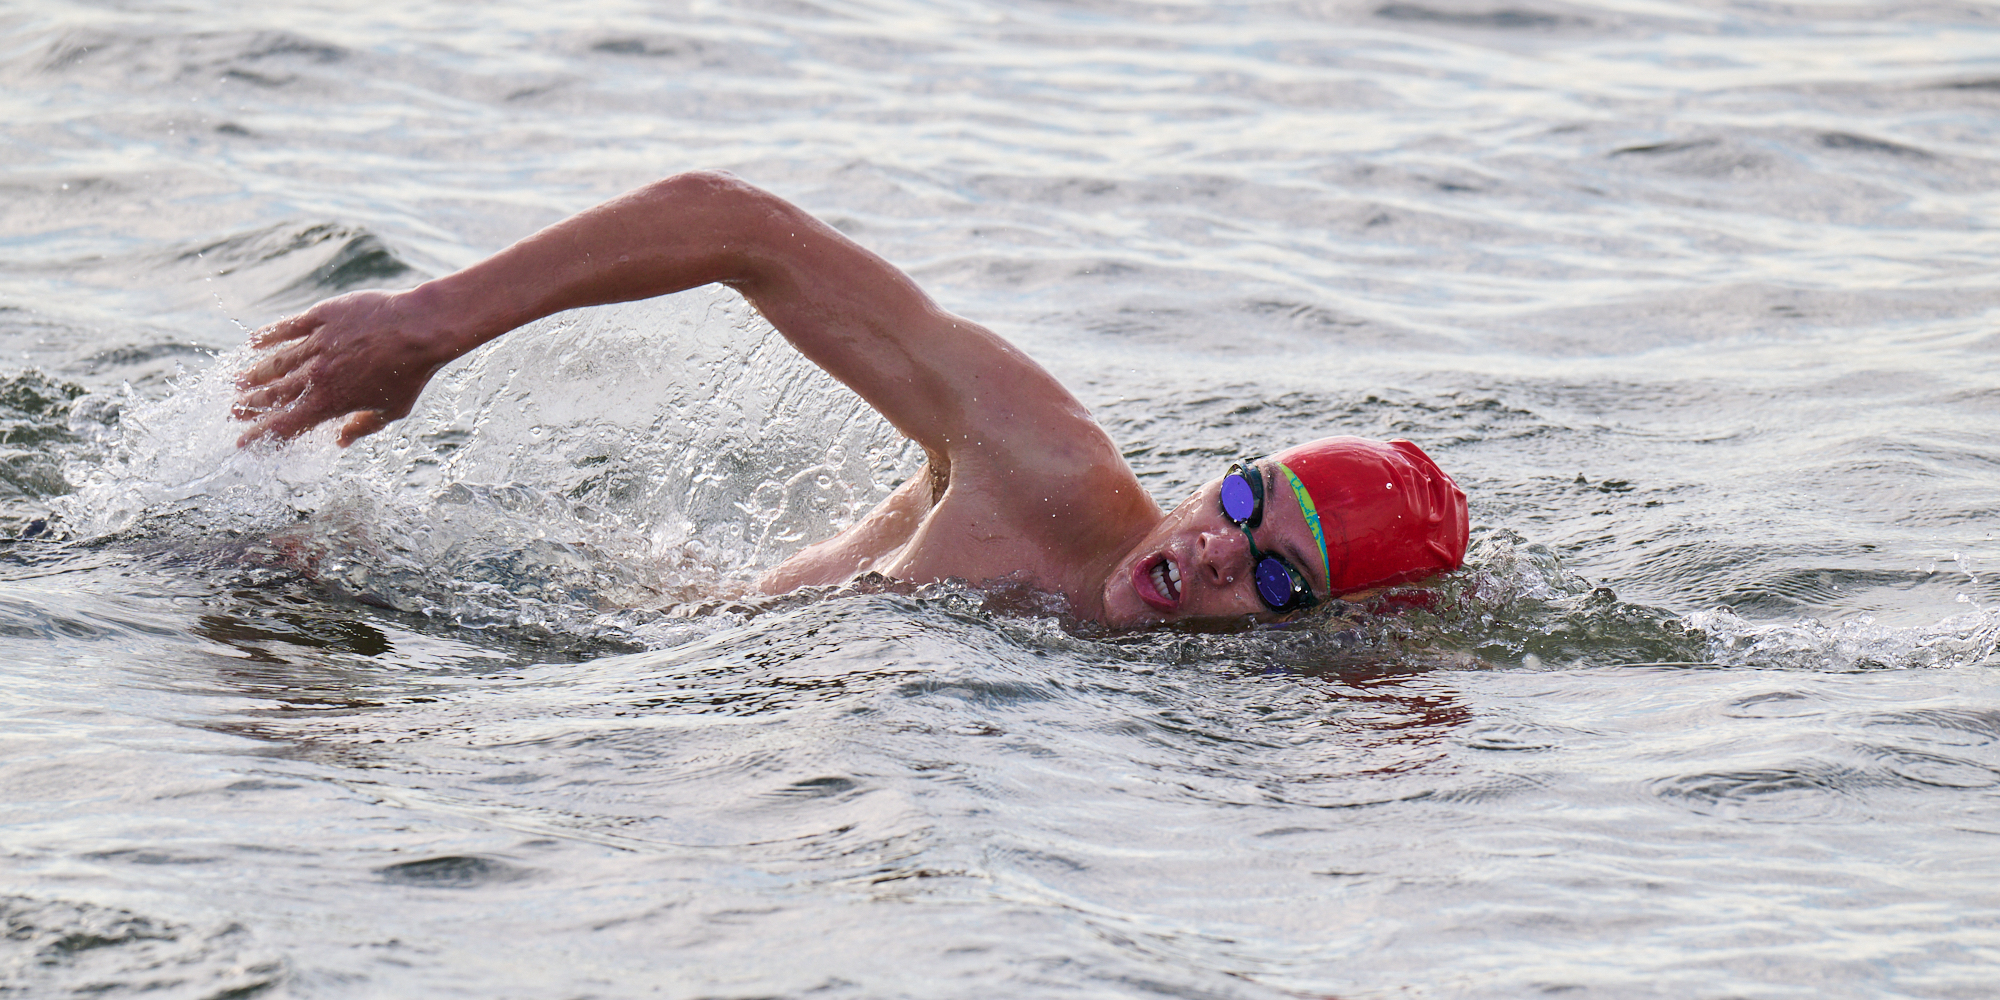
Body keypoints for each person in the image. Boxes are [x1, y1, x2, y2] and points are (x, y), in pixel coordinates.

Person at [232, 171, 1467, 629]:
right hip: (573, 627)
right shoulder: (1037, 462)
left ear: (1314, 629)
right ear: (1218, 467)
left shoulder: (1230, 705)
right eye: (1243, 497)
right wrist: (428, 324)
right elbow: (738, 229)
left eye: (1272, 573)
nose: (1209, 549)